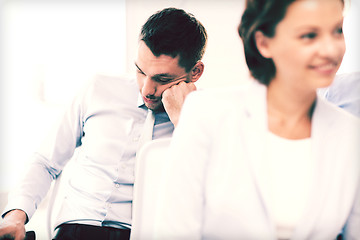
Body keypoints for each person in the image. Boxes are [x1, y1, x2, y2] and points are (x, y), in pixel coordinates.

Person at [154, 0, 359, 239]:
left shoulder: (350, 134)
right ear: (264, 43)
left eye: (337, 31)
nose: (331, 50)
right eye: (309, 35)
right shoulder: (206, 115)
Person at [0, 7, 207, 240]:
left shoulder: (206, 119)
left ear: (195, 72)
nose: (147, 90)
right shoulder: (97, 89)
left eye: (163, 79)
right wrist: (15, 216)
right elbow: (46, 161)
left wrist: (185, 120)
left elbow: (214, 195)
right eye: (140, 71)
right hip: (75, 229)